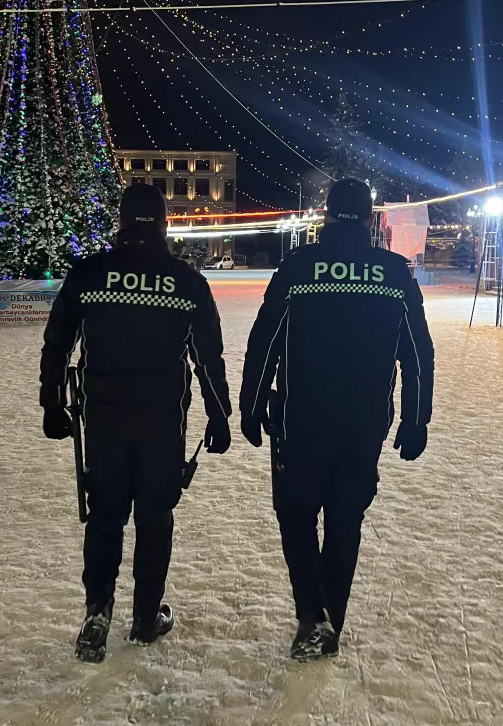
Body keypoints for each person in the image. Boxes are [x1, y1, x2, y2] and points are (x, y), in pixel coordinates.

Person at [239, 179, 435, 661]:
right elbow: (418, 354)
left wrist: (251, 403)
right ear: (370, 218)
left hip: (301, 419)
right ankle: (328, 620)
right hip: (364, 422)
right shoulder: (394, 273)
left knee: (296, 515)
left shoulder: (298, 268)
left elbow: (264, 341)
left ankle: (314, 615)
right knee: (346, 520)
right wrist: (416, 419)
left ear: (326, 215)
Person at [40, 183, 233, 663]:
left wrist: (52, 403)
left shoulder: (90, 274)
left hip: (104, 419)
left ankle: (97, 613)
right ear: (165, 223)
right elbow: (208, 358)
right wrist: (219, 414)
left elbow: (57, 344)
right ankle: (146, 617)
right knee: (154, 519)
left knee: (105, 518)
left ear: (122, 221)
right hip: (161, 422)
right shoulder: (186, 282)